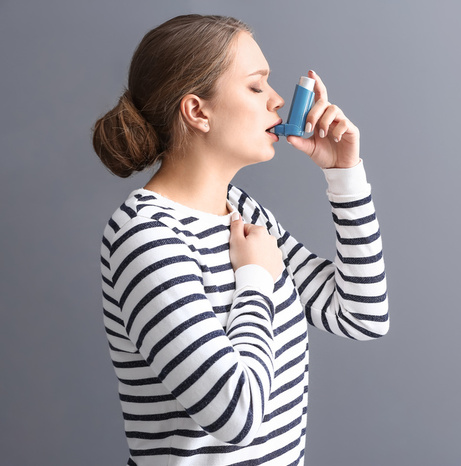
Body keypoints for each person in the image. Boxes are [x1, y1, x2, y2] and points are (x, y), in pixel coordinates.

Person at [92, 14, 389, 466]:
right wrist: (255, 278)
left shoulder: (241, 211)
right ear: (197, 111)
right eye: (256, 87)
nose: (277, 102)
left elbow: (362, 316)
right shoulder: (144, 237)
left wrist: (344, 175)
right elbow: (238, 417)